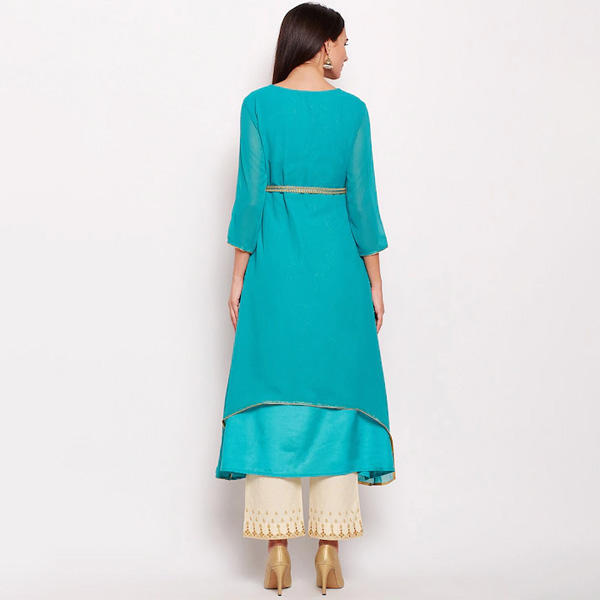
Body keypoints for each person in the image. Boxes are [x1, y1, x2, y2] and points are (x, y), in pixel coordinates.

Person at [215, 2, 395, 595]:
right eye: (343, 43)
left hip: (274, 277)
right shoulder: (352, 111)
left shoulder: (258, 106)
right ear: (321, 46)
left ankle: (276, 552)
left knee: (273, 398)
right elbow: (362, 202)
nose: (346, 54)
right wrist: (374, 279)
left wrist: (238, 275)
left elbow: (249, 198)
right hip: (338, 280)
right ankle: (328, 552)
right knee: (335, 400)